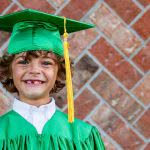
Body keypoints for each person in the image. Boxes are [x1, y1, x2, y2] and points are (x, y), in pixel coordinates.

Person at [0, 9, 105, 150]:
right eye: (24, 62)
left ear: (59, 72)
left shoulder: (83, 136)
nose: (34, 70)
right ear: (9, 70)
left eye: (46, 63)